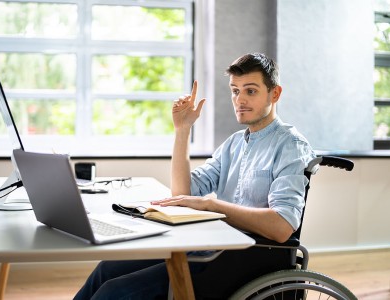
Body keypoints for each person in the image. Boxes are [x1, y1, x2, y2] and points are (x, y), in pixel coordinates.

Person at [74, 53, 316, 300]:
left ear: (274, 94)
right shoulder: (233, 144)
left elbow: (282, 227)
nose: (239, 99)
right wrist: (183, 130)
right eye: (235, 91)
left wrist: (211, 205)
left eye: (250, 91)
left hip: (243, 259)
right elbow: (182, 194)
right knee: (106, 270)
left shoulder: (290, 145)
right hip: (211, 248)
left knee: (114, 292)